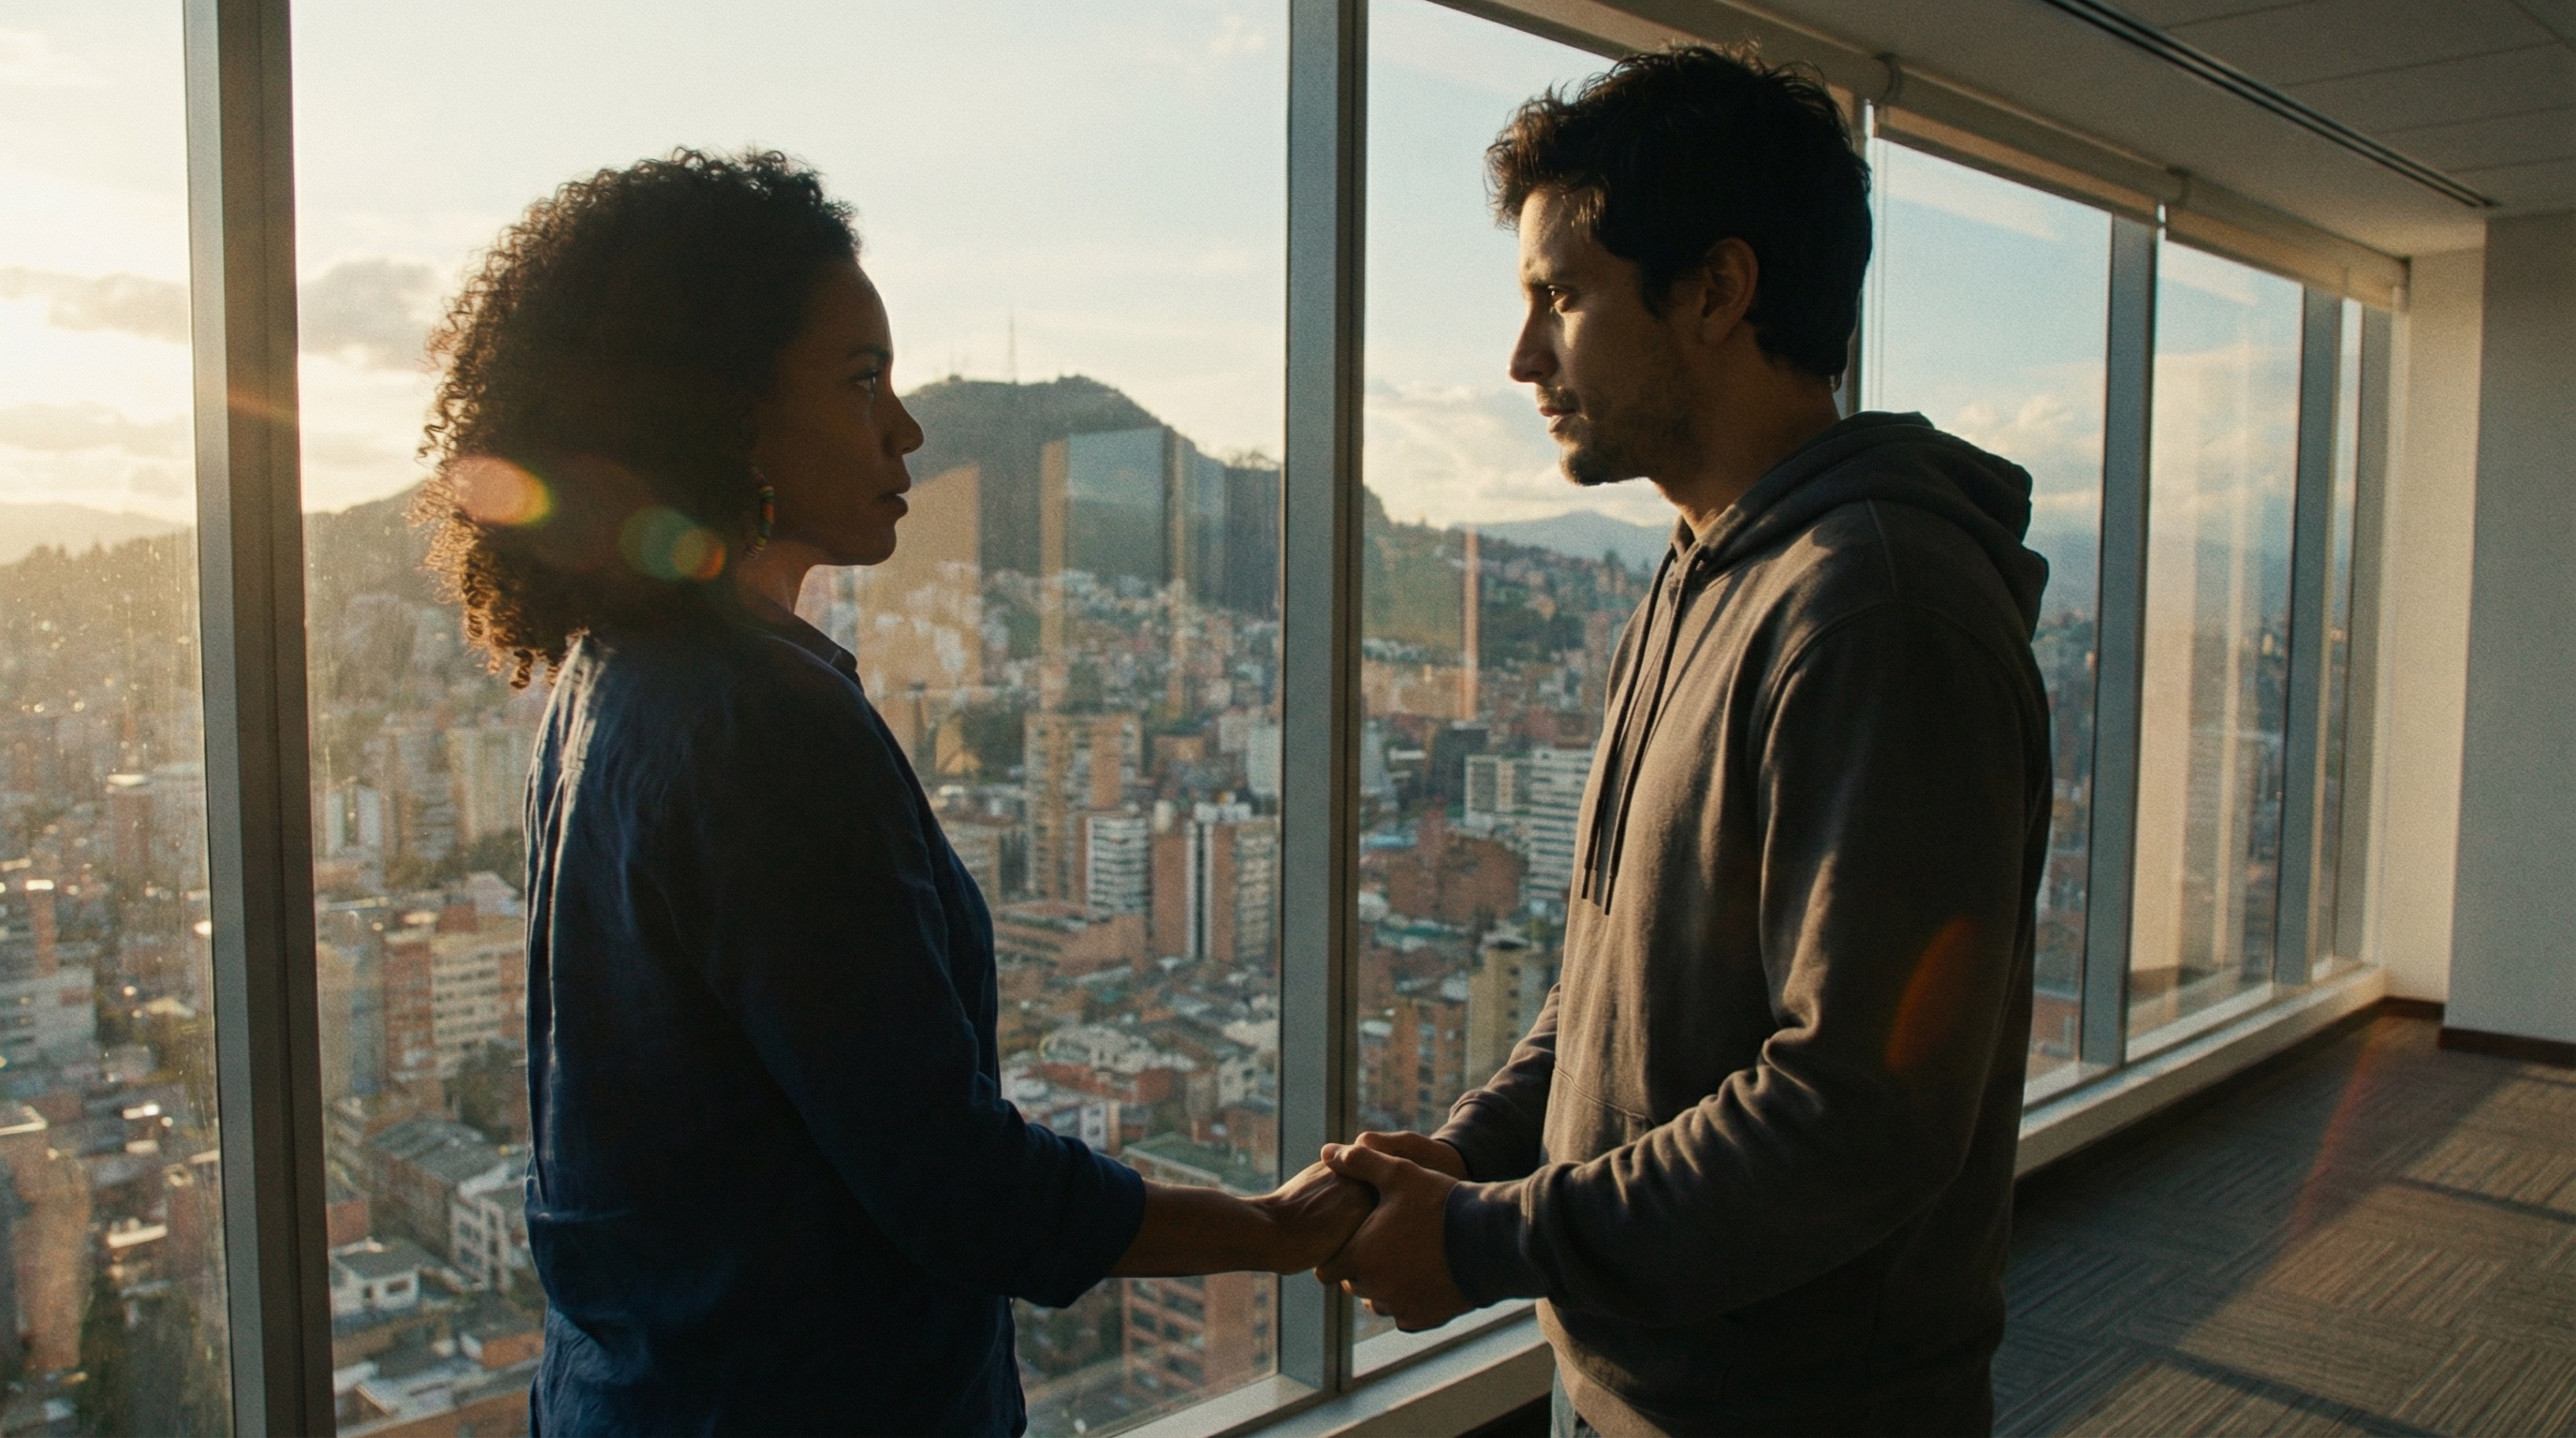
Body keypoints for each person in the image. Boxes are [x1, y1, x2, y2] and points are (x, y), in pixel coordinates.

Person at [413, 150, 1371, 1437]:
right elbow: (953, 1184)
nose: (907, 428)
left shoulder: (615, 676)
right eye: (863, 380)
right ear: (721, 415)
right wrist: (1270, 1230)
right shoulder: (763, 726)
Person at [1316, 47, 2051, 1437]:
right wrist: (1472, 1156)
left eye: (1562, 297)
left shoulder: (1877, 614)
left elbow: (1854, 1115)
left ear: (1717, 289)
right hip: (1638, 1378)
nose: (1524, 355)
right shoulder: (1701, 572)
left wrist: (1483, 1240)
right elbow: (1619, 976)